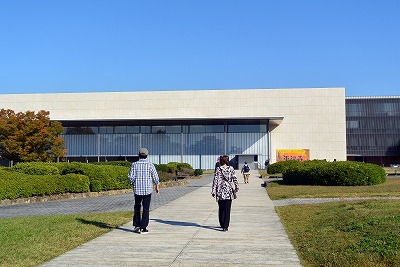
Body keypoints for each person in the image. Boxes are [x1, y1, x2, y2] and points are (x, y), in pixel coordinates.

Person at [128, 148, 160, 234]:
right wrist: (157, 185)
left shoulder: (134, 164)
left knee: (137, 206)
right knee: (146, 208)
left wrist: (133, 183)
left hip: (137, 189)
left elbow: (131, 177)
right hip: (147, 190)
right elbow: (155, 176)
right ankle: (143, 227)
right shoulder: (150, 165)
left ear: (138, 155)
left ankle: (137, 225)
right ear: (147, 155)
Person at [211, 155, 239, 232]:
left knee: (221, 208)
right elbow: (235, 179)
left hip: (220, 192)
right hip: (229, 192)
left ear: (221, 161)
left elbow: (215, 180)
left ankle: (222, 223)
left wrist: (213, 191)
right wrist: (236, 188)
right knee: (227, 209)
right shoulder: (231, 169)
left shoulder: (218, 169)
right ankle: (225, 226)